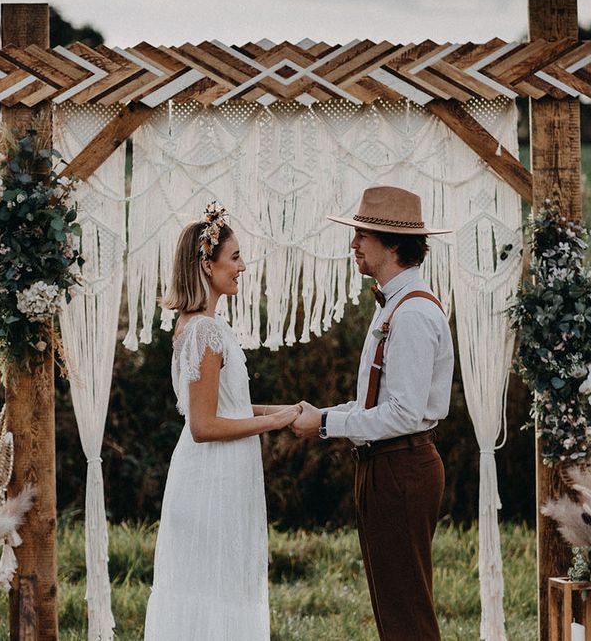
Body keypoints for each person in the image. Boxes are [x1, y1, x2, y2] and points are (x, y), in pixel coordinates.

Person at [291, 185, 454, 641]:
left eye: (363, 234)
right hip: (384, 465)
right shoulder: (394, 306)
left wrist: (325, 424)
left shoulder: (414, 315)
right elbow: (374, 406)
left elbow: (402, 414)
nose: (354, 243)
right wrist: (323, 413)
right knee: (393, 607)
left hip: (402, 465)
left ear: (392, 245)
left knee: (407, 613)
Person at [144, 202, 301, 640]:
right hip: (210, 481)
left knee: (224, 586)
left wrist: (282, 411)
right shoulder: (203, 332)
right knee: (214, 589)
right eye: (234, 258)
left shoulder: (204, 326)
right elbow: (204, 425)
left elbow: (226, 407)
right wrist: (273, 425)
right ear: (206, 265)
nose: (243, 267)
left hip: (224, 476)